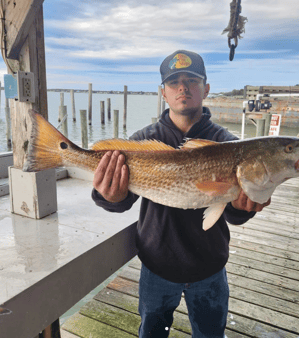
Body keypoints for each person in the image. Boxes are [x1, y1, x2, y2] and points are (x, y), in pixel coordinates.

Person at [92, 50, 270, 338]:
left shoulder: (228, 144)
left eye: (192, 80)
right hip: (156, 264)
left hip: (210, 266)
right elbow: (119, 200)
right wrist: (109, 196)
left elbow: (235, 213)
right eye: (174, 82)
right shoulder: (141, 142)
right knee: (152, 333)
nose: (183, 88)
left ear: (206, 88)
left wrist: (244, 206)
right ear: (163, 92)